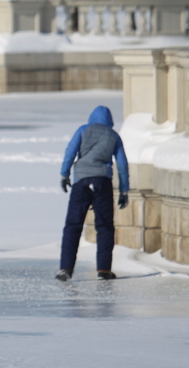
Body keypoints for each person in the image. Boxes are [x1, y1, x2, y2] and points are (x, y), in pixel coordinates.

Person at [55, 105, 129, 281]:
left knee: (73, 225)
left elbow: (70, 152)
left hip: (81, 183)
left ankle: (65, 268)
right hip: (102, 183)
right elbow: (122, 164)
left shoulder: (82, 130)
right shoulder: (114, 136)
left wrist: (65, 174)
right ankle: (103, 270)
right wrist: (124, 190)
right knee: (104, 227)